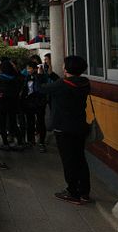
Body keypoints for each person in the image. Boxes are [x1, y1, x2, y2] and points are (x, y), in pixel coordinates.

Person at [40, 55, 91, 205]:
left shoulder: (62, 85)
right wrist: (52, 75)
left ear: (67, 68)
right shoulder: (84, 83)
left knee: (68, 161)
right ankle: (84, 192)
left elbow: (42, 89)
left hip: (64, 128)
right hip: (80, 127)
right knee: (80, 159)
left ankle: (72, 192)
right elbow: (64, 82)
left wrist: (39, 76)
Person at [0, 60, 23, 150]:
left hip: (2, 103)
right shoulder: (15, 78)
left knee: (2, 123)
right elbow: (19, 88)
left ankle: (5, 143)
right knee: (13, 122)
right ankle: (20, 142)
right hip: (13, 103)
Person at [23, 61, 48, 152]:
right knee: (30, 122)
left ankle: (41, 142)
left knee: (40, 122)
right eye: (27, 68)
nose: (27, 70)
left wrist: (38, 76)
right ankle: (30, 141)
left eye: (29, 68)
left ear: (34, 69)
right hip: (29, 103)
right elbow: (25, 89)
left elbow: (39, 89)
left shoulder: (41, 77)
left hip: (39, 103)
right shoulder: (27, 77)